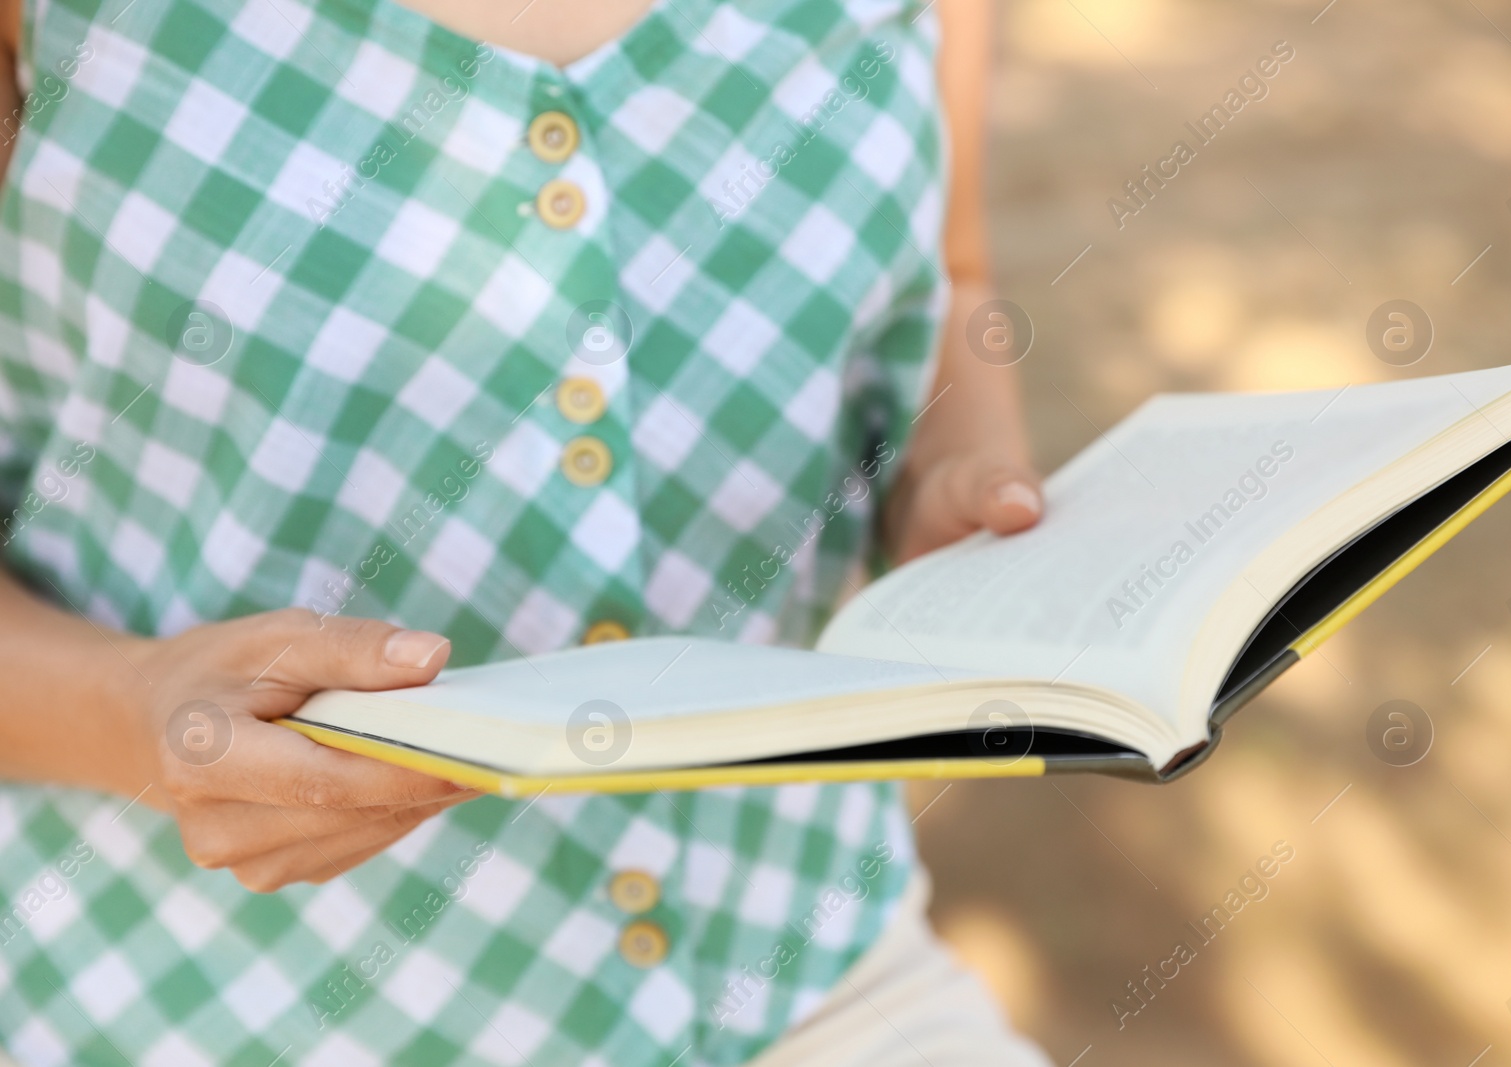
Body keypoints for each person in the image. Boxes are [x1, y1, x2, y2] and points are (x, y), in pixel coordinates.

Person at [0, 0, 1053, 1060]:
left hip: (804, 965)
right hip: (214, 1010)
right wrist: (138, 712)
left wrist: (940, 474)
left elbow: (953, 271)